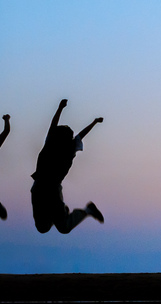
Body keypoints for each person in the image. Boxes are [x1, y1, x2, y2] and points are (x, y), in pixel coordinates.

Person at [30, 98, 105, 234]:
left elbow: (78, 134)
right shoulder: (56, 146)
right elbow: (73, 133)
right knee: (43, 227)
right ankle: (62, 213)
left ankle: (85, 211)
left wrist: (61, 108)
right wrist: (60, 108)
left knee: (61, 227)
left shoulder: (62, 148)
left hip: (48, 189)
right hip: (42, 188)